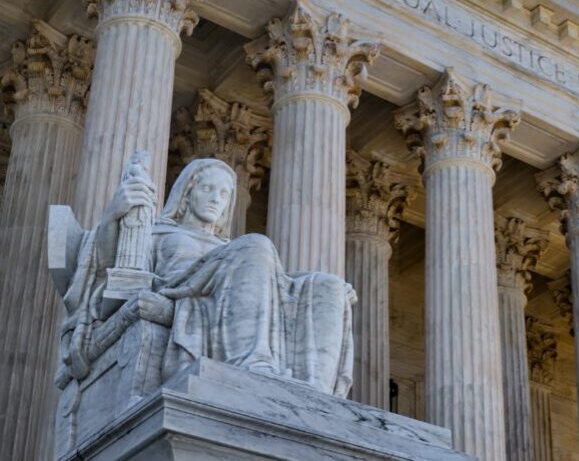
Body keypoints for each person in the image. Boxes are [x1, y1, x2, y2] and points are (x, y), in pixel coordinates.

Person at [56, 158, 355, 395]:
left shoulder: (231, 250)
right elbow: (106, 274)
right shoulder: (158, 234)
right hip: (181, 290)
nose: (216, 199)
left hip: (223, 294)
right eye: (207, 189)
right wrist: (112, 216)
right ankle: (250, 364)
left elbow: (277, 280)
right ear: (187, 194)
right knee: (256, 243)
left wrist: (311, 284)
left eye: (224, 193)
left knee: (327, 286)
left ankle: (314, 394)